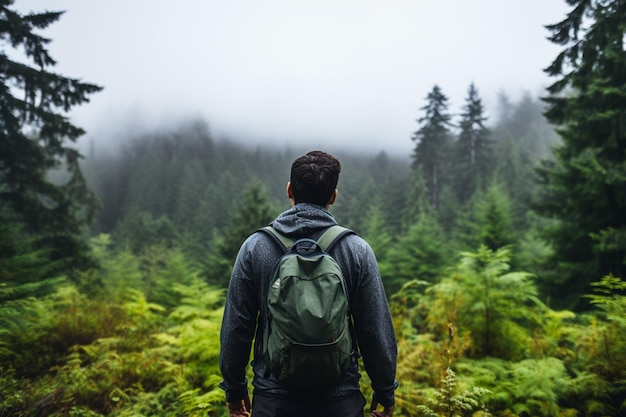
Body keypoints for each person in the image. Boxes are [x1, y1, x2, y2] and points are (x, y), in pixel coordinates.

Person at [219, 150, 398, 417]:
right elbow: (374, 328)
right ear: (333, 196)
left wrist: (234, 389)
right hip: (340, 401)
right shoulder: (356, 250)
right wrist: (385, 389)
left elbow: (237, 326)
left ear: (289, 190)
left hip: (273, 399)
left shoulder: (255, 248)